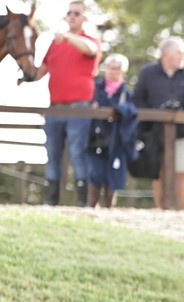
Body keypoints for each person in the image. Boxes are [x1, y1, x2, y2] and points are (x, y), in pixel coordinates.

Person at [34, 0, 100, 206]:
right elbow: (41, 71)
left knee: (77, 153)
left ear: (84, 18)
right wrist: (24, 76)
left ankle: (82, 203)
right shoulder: (55, 44)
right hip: (55, 107)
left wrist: (69, 36)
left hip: (79, 108)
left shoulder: (89, 40)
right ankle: (50, 201)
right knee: (52, 153)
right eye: (69, 13)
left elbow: (90, 50)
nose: (72, 16)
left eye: (77, 13)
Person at [131, 36, 184, 210]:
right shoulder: (148, 72)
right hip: (156, 131)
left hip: (182, 129)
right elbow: (137, 98)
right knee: (158, 171)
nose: (183, 55)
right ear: (166, 54)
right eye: (179, 52)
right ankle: (161, 208)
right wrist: (155, 113)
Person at [85, 54, 135, 208]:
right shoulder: (94, 88)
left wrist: (119, 110)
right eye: (109, 67)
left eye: (116, 68)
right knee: (95, 174)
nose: (112, 71)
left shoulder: (127, 94)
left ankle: (109, 207)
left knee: (112, 175)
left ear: (123, 72)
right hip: (95, 138)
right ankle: (91, 206)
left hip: (116, 141)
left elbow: (131, 112)